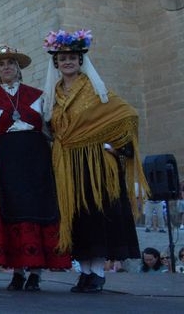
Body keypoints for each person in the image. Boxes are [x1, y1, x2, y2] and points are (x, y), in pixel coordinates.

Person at [42, 29, 148, 293]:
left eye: (72, 57)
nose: (67, 62)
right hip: (67, 164)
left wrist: (112, 145)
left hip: (95, 164)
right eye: (63, 58)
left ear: (80, 61)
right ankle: (85, 272)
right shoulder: (53, 95)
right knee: (76, 216)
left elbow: (127, 115)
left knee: (96, 214)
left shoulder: (95, 89)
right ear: (56, 63)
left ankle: (98, 272)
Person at [0, 44, 69, 292]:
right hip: (7, 162)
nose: (7, 68)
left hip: (37, 160)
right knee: (12, 213)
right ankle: (17, 271)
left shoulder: (39, 96)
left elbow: (52, 128)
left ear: (18, 68)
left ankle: (36, 273)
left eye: (11, 64)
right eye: (2, 65)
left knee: (39, 212)